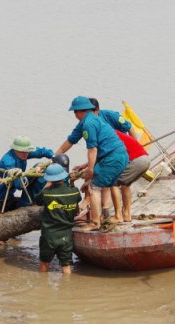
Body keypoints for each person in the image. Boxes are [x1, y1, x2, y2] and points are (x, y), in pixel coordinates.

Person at [55, 96, 128, 231]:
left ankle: (95, 223)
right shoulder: (90, 120)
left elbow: (92, 149)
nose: (75, 115)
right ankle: (118, 216)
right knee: (113, 184)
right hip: (121, 155)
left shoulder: (88, 124)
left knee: (94, 187)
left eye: (75, 112)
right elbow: (70, 141)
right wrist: (54, 158)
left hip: (111, 158)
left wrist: (90, 169)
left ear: (78, 111)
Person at [0, 135, 54, 216]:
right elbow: (20, 185)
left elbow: (40, 152)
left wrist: (52, 155)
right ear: (15, 149)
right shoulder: (9, 162)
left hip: (9, 196)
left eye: (27, 151)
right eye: (23, 152)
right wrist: (34, 172)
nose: (25, 154)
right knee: (3, 225)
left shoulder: (23, 153)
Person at [34, 164, 81, 274]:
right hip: (66, 236)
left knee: (44, 262)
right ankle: (67, 287)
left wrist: (47, 185)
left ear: (50, 179)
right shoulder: (74, 191)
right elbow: (77, 200)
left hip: (49, 235)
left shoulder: (46, 193)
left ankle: (43, 287)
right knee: (66, 265)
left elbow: (37, 200)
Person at [111, 130, 151, 223]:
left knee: (113, 182)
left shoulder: (106, 135)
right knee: (125, 184)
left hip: (136, 160)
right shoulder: (115, 132)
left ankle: (118, 216)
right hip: (145, 159)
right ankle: (127, 215)